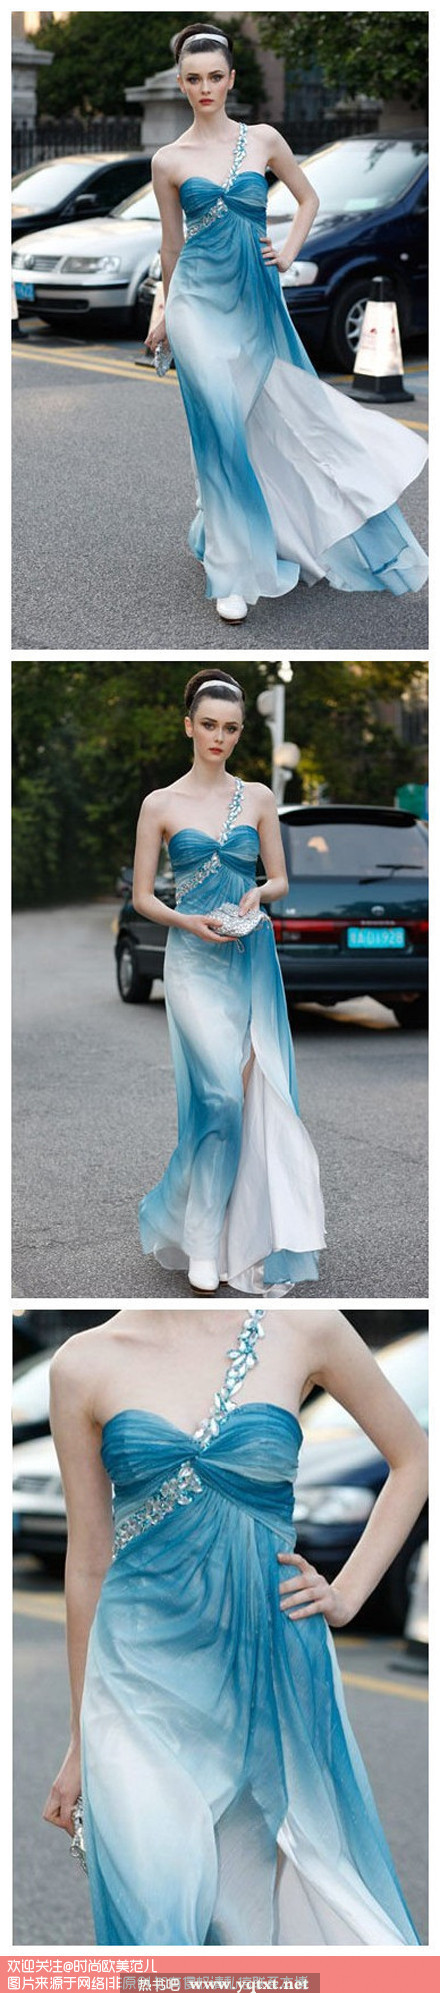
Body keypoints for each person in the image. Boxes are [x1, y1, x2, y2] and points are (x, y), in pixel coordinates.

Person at [43, 1304, 428, 1945]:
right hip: (133, 1677)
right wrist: (80, 1739)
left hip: (266, 1664)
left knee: (248, 1910)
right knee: (157, 1906)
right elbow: (87, 1561)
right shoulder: (82, 1361)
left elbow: (414, 1457)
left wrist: (347, 1594)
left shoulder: (308, 1328)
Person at [146, 23, 428, 625]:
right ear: (181, 84)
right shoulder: (167, 160)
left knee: (275, 418)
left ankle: (251, 529)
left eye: (215, 77)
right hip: (195, 302)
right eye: (193, 79)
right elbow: (171, 248)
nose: (205, 88)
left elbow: (308, 200)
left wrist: (290, 252)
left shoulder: (264, 139)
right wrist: (165, 314)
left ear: (231, 79)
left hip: (254, 297)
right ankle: (233, 571)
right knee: (220, 429)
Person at [133, 667, 325, 1296]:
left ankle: (219, 1230)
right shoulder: (160, 804)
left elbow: (280, 880)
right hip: (192, 960)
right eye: (210, 725)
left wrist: (257, 895)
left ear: (241, 733)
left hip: (249, 956)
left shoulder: (260, 797)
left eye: (232, 728)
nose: (220, 737)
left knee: (244, 1096)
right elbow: (142, 898)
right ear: (188, 726)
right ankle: (200, 1238)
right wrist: (185, 920)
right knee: (219, 1096)